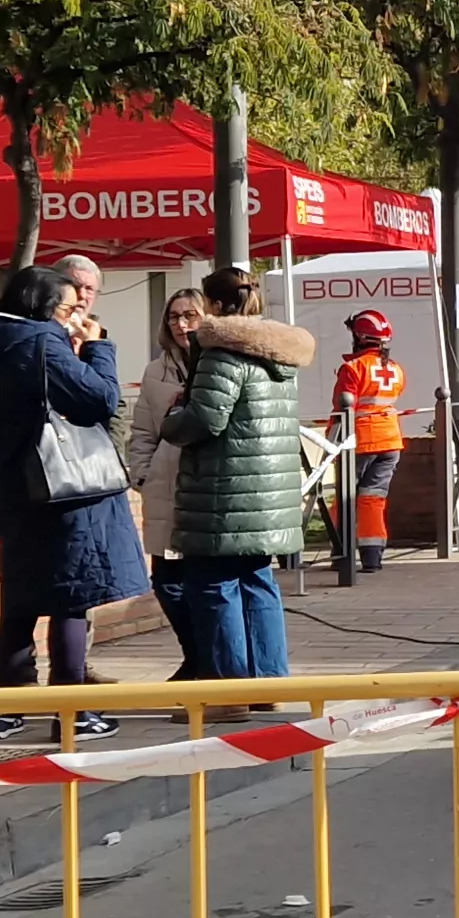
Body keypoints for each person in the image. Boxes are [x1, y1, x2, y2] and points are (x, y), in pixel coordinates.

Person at [0, 264, 146, 739]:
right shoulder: (42, 342)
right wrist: (98, 346)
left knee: (19, 601)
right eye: (66, 307)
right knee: (70, 599)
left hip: (14, 488)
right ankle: (72, 710)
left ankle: (9, 707)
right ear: (42, 307)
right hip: (61, 491)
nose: (72, 315)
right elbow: (97, 399)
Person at [162, 266, 311, 684]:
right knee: (257, 582)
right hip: (269, 494)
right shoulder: (279, 353)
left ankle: (230, 689)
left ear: (216, 306)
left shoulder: (221, 351)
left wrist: (173, 417)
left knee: (213, 585)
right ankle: (269, 680)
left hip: (224, 494)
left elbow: (205, 421)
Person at [122, 288, 209, 676]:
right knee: (167, 583)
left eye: (190, 315)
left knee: (204, 583)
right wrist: (142, 472)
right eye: (174, 317)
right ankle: (194, 656)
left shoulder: (217, 363)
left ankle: (206, 663)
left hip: (208, 492)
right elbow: (143, 430)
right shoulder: (156, 370)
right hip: (166, 489)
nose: (181, 324)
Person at [331, 308, 407, 572]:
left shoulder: (352, 369)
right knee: (373, 499)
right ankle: (372, 557)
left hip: (359, 441)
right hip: (390, 441)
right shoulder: (395, 369)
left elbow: (342, 408)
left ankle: (340, 553)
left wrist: (332, 442)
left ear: (360, 337)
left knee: (345, 497)